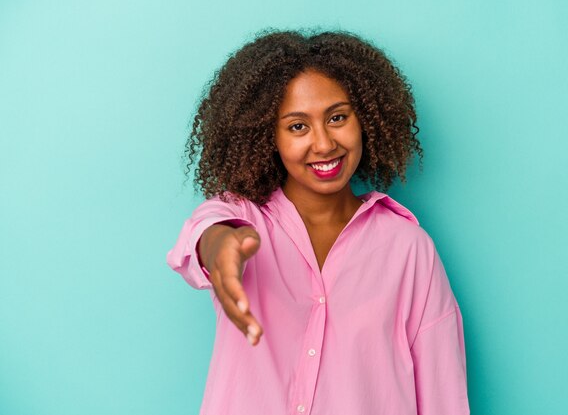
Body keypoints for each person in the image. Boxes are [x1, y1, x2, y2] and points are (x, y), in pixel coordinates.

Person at [166, 28, 470, 415]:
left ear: (366, 120)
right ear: (266, 137)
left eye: (338, 117)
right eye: (297, 126)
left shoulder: (408, 248)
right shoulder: (241, 220)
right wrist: (217, 247)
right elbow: (207, 231)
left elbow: (443, 395)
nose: (324, 143)